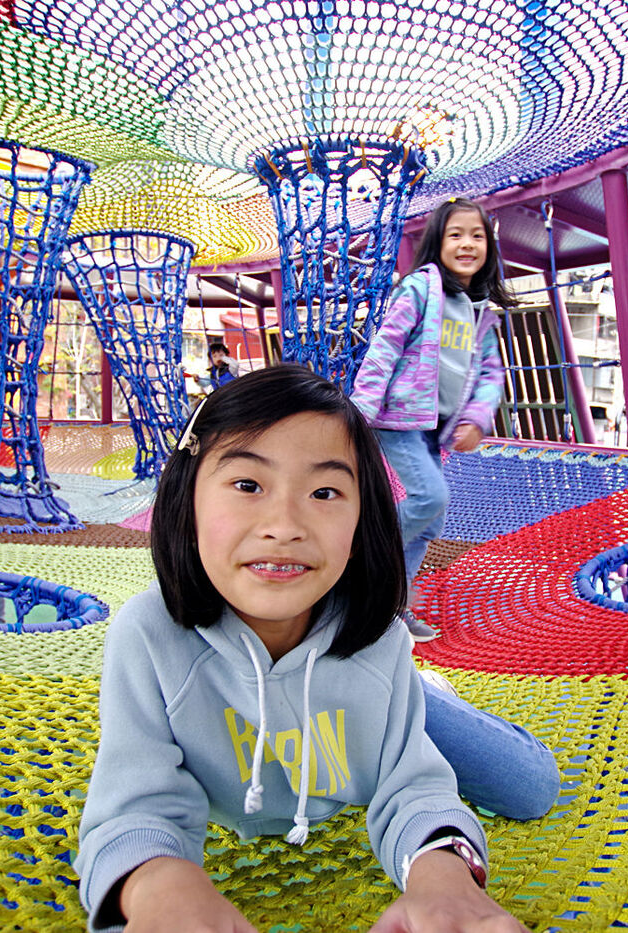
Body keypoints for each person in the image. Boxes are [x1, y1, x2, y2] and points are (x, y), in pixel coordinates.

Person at [75, 365, 557, 933]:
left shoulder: (377, 638)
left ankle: (426, 696)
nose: (284, 525)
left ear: (360, 521)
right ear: (189, 500)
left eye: (324, 491)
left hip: (365, 696)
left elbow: (415, 789)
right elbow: (133, 807)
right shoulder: (148, 635)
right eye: (248, 485)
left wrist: (444, 882)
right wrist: (160, 886)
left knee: (528, 786)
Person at [350, 197, 516, 643]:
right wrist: (362, 406)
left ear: (489, 247)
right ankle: (360, 560)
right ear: (438, 243)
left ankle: (393, 608)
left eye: (477, 236)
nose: (467, 244)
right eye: (455, 234)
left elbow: (489, 373)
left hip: (433, 429)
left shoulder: (481, 311)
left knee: (429, 522)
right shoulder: (420, 289)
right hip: (398, 418)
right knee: (430, 498)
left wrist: (478, 420)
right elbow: (386, 344)